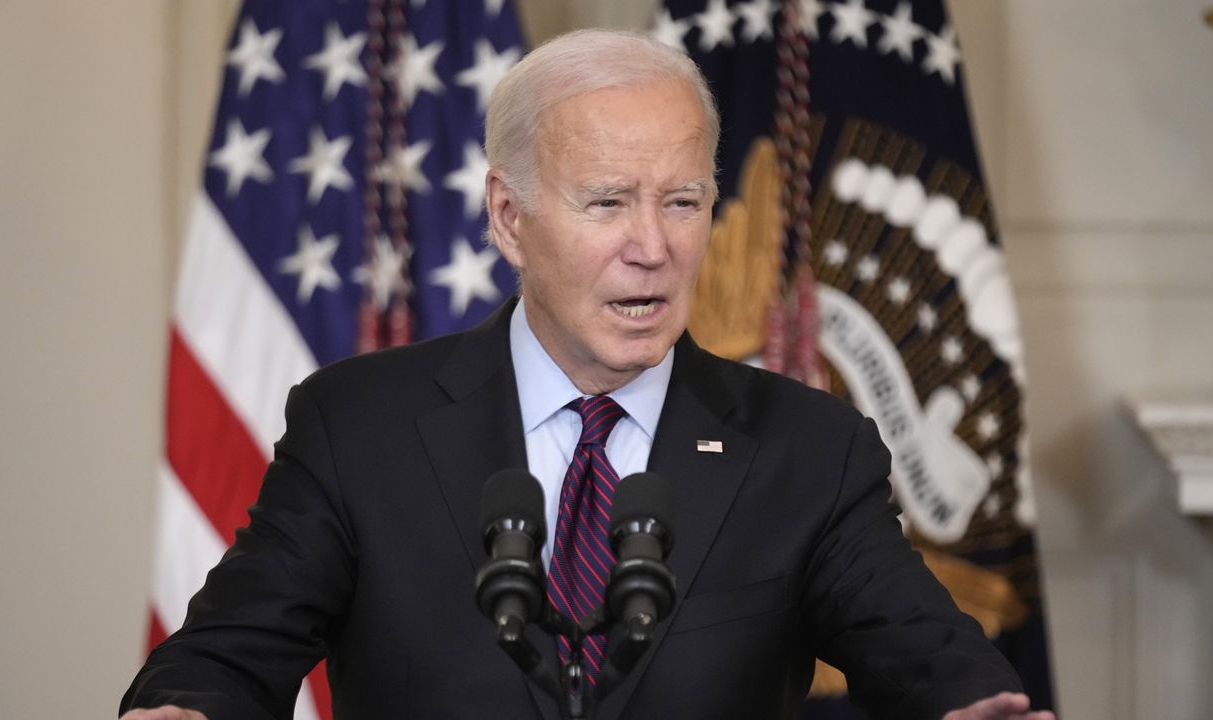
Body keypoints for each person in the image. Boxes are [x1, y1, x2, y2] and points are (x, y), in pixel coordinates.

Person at [122, 29, 1054, 720]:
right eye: (607, 202)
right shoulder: (358, 428)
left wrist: (972, 707)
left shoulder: (808, 451)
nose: (654, 247)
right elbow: (227, 657)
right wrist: (187, 708)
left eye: (683, 202)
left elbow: (929, 659)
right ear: (507, 216)